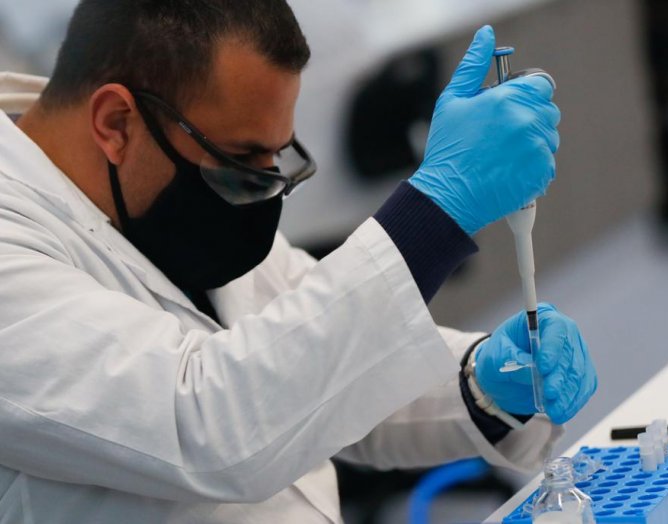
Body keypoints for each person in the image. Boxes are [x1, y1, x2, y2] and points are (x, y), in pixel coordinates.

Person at [0, 1, 597, 522]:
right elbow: (207, 426)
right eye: (238, 160)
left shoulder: (164, 206)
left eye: (275, 157)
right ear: (116, 122)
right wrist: (435, 214)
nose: (260, 188)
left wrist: (483, 384)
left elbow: (321, 370)